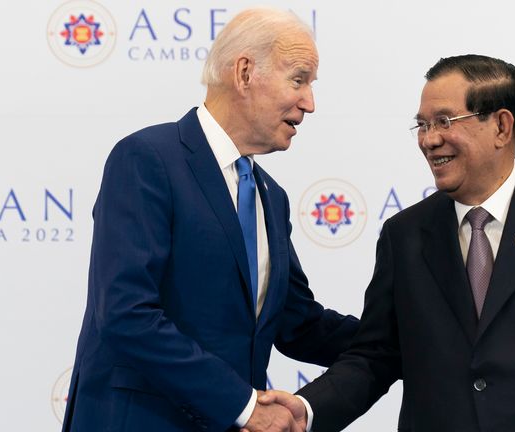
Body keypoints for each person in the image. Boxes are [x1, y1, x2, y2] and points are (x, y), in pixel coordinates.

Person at [261, 54, 515, 431]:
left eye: (444, 121)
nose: (429, 140)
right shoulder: (404, 234)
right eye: (422, 125)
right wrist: (307, 409)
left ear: (501, 127)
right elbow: (376, 356)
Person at [61, 8, 359, 432]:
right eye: (299, 79)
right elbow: (126, 313)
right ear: (244, 73)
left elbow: (298, 324)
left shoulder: (271, 196)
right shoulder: (147, 159)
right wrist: (243, 405)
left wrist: (405, 342)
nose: (310, 102)